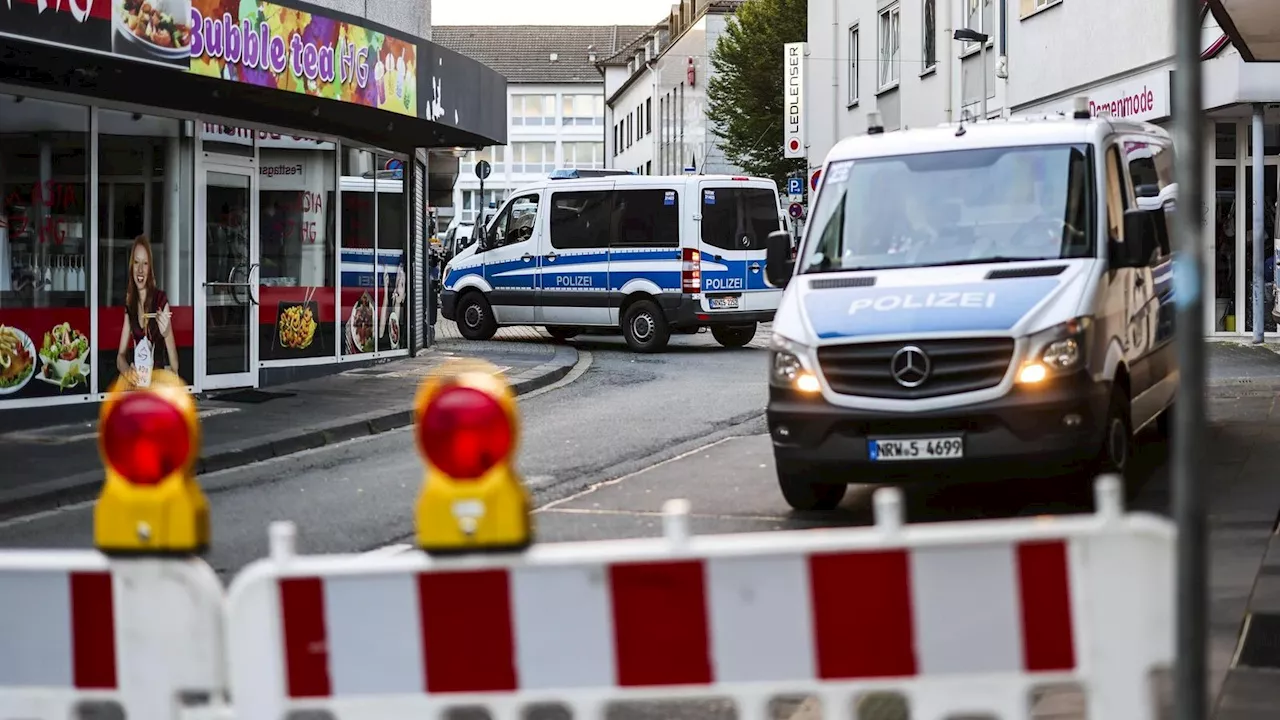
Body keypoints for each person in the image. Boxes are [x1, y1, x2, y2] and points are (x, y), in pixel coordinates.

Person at [115, 235, 179, 388]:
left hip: (159, 379)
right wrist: (126, 370)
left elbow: (175, 365)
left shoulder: (160, 300)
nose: (140, 269)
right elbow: (120, 357)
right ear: (131, 266)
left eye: (145, 263)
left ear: (150, 268)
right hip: (139, 379)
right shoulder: (130, 303)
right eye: (136, 262)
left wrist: (167, 332)